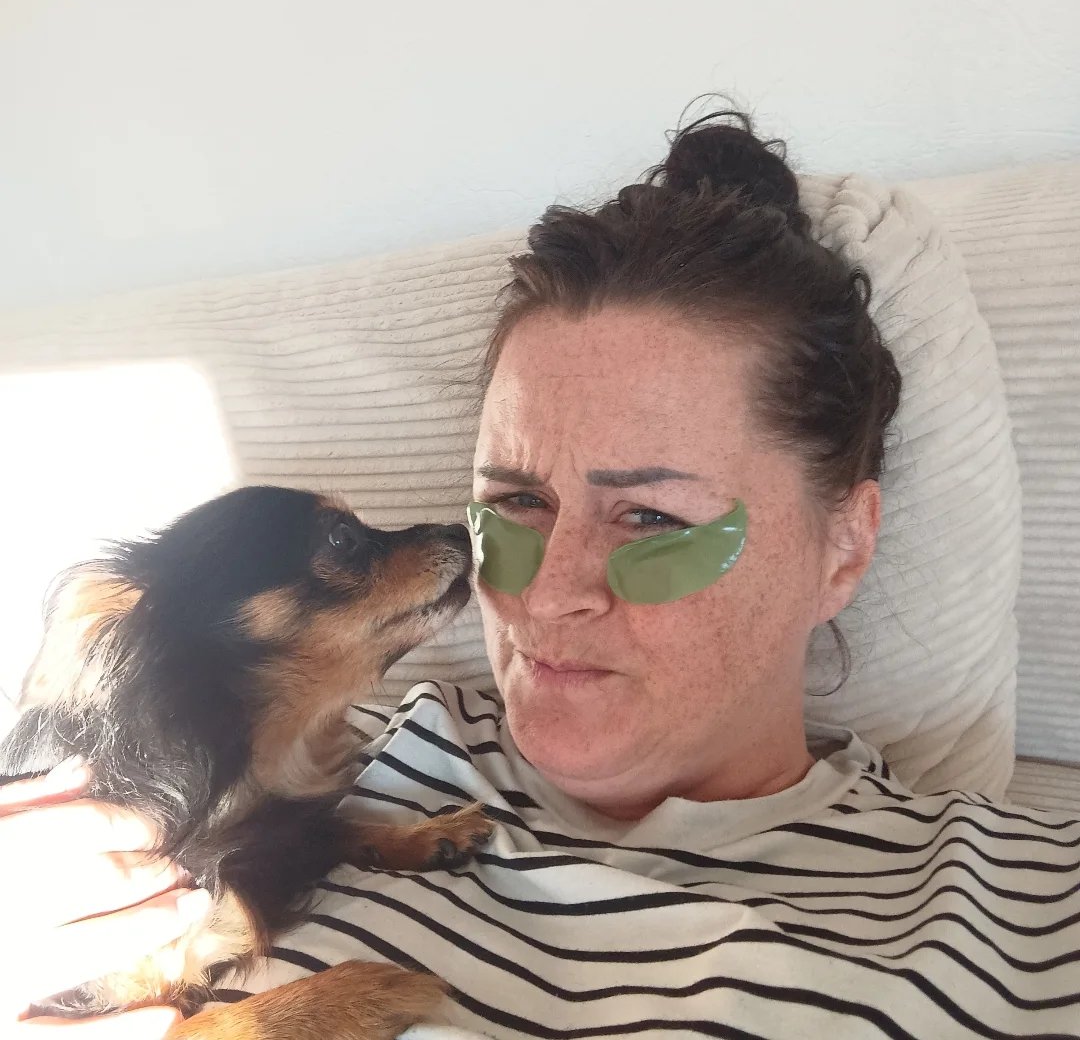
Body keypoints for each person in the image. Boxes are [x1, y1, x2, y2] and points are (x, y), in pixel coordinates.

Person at [6, 111, 1079, 1039]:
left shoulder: (1023, 909)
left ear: (842, 548)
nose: (540, 593)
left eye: (651, 516)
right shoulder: (289, 754)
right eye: (517, 503)